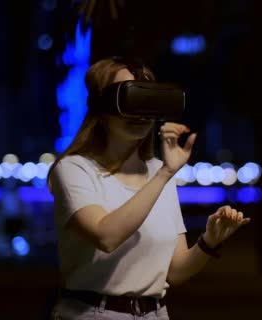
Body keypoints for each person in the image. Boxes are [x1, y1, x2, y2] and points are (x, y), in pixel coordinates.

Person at [47, 57, 251, 320]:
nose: (141, 114)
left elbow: (175, 271)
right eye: (131, 99)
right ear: (101, 109)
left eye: (148, 101)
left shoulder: (158, 172)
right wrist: (165, 174)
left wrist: (209, 241)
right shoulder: (75, 169)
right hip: (92, 313)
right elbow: (106, 236)